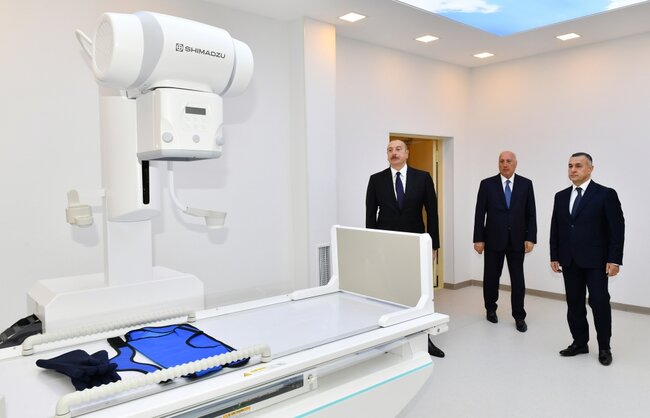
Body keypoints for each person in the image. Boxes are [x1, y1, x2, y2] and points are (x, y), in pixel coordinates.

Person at [365, 139, 444, 358]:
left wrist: (433, 245)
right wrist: (372, 246)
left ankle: (424, 338)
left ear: (407, 153)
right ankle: (391, 337)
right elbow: (370, 215)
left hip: (415, 244)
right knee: (390, 291)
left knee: (418, 292)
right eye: (390, 150)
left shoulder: (423, 178)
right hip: (387, 245)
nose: (394, 153)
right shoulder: (376, 180)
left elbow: (432, 213)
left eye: (398, 149)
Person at [550, 152, 624, 366]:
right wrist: (554, 254)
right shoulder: (561, 196)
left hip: (597, 261)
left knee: (599, 303)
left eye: (578, 166)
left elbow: (617, 229)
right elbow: (556, 227)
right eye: (570, 166)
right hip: (569, 260)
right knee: (574, 304)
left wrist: (614, 259)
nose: (573, 169)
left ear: (590, 169)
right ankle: (580, 343)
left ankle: (604, 347)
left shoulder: (605, 194)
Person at [473, 151, 537, 332]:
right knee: (491, 278)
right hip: (493, 239)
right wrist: (478, 239)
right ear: (498, 164)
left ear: (515, 163)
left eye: (509, 161)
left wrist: (530, 237)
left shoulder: (526, 184)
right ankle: (490, 309)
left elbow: (531, 213)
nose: (505, 164)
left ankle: (519, 316)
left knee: (518, 280)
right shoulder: (487, 184)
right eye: (501, 161)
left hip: (518, 240)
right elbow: (480, 213)